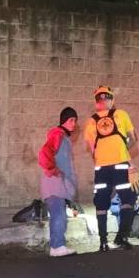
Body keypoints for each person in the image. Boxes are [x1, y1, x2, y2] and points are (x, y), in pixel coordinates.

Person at [83, 86, 139, 252]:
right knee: (128, 198)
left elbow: (91, 147)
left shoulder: (91, 121)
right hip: (121, 165)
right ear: (112, 100)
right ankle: (122, 238)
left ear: (96, 102)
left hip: (101, 167)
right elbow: (133, 138)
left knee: (101, 202)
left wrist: (102, 155)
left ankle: (103, 242)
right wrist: (123, 152)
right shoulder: (121, 114)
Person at [39, 107, 79, 257]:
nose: (74, 124)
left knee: (59, 214)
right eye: (71, 120)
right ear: (64, 120)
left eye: (75, 120)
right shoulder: (58, 134)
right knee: (58, 215)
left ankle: (58, 245)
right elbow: (44, 152)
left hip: (58, 184)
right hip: (54, 183)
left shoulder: (63, 137)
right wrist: (52, 170)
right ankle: (57, 247)